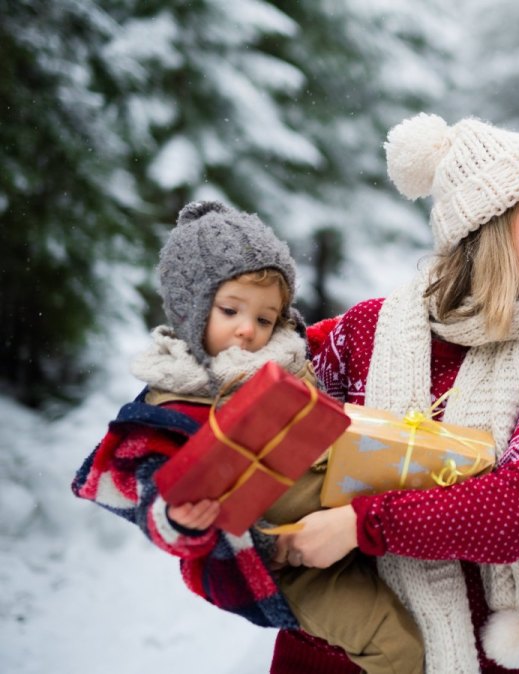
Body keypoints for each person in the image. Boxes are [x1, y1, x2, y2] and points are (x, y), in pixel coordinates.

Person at [268, 113, 519, 674]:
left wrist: (360, 523)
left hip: (475, 653)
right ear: (486, 225)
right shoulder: (361, 333)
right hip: (333, 647)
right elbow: (268, 418)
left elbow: (516, 511)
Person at [70, 201, 425, 674]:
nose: (247, 330)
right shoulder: (173, 402)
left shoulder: (287, 360)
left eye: (264, 319)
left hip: (347, 511)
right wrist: (179, 514)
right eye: (230, 310)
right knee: (394, 643)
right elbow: (148, 489)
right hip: (292, 560)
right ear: (191, 308)